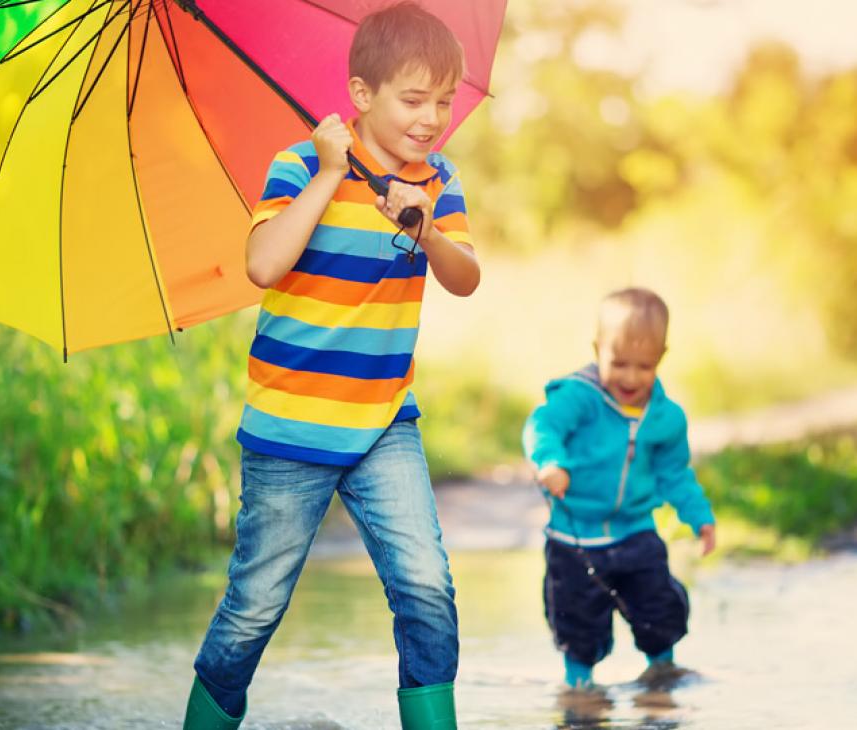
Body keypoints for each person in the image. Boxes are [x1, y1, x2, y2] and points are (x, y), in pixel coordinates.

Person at [183, 4, 480, 728]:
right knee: (255, 605)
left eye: (443, 100)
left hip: (384, 424)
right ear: (362, 94)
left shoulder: (436, 180)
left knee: (426, 589)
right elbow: (262, 264)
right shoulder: (297, 166)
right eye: (414, 100)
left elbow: (466, 276)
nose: (431, 117)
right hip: (290, 429)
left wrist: (424, 227)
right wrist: (327, 175)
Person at [522, 287, 716, 691]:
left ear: (662, 358)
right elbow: (543, 426)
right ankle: (580, 687)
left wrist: (699, 516)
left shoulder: (665, 417)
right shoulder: (578, 397)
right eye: (619, 363)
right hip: (574, 538)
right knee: (577, 621)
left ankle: (662, 672)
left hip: (635, 533)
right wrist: (550, 461)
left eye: (644, 367)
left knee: (657, 607)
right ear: (598, 349)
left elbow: (674, 474)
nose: (630, 378)